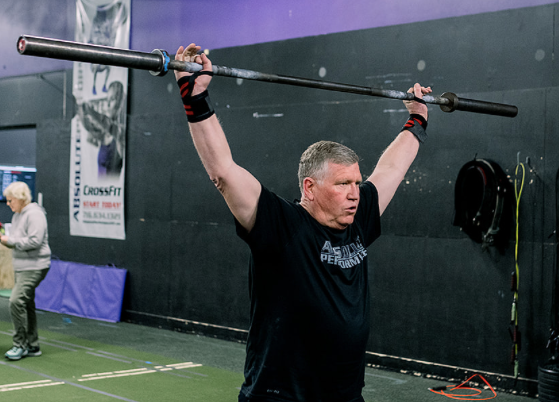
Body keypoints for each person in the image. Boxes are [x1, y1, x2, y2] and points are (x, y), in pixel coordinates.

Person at [173, 43, 431, 402]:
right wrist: (194, 98)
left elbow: (393, 168)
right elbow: (224, 173)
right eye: (343, 184)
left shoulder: (358, 217)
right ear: (310, 187)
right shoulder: (280, 226)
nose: (355, 192)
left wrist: (417, 118)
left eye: (356, 183)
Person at [0, 181, 51, 361]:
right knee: (27, 304)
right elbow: (18, 238)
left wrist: (10, 241)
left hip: (35, 266)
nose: (8, 203)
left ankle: (19, 345)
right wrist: (4, 238)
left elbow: (35, 241)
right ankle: (33, 345)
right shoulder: (18, 215)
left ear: (21, 199)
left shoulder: (35, 214)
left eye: (10, 200)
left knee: (15, 301)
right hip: (22, 266)